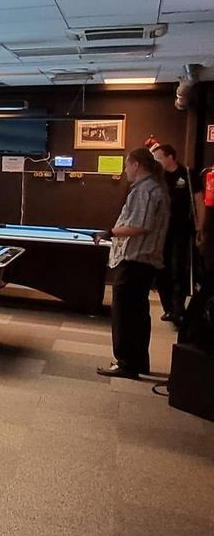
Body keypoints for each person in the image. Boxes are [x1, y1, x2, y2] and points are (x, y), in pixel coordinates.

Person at [97, 147, 170, 379]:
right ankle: (138, 362)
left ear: (136, 165)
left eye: (127, 165)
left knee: (125, 315)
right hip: (143, 262)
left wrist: (110, 232)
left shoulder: (145, 190)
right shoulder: (154, 187)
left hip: (135, 261)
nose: (125, 170)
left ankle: (127, 363)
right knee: (138, 314)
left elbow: (139, 225)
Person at [151, 144, 201, 322]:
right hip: (161, 229)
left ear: (170, 157)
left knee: (178, 268)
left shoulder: (187, 174)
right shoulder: (158, 177)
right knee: (161, 268)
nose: (156, 162)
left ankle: (178, 308)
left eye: (159, 158)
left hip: (181, 228)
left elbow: (198, 202)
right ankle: (168, 308)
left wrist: (200, 227)